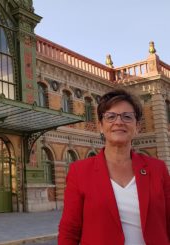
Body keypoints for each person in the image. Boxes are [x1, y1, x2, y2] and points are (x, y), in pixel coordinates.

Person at [58, 89, 170, 244]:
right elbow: (69, 231)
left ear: (137, 126)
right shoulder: (80, 171)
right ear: (101, 126)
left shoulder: (158, 169)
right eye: (111, 117)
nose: (119, 122)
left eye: (127, 117)